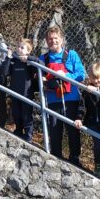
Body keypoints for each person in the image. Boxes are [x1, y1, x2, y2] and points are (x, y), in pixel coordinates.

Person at [40, 27, 85, 165]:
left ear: (61, 39)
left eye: (56, 38)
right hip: (53, 100)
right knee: (54, 130)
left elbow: (81, 74)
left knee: (73, 131)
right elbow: (38, 76)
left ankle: (75, 158)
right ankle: (56, 157)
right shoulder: (43, 58)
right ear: (46, 41)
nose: (53, 41)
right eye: (50, 39)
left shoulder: (71, 55)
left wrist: (66, 76)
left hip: (71, 99)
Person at [74, 63, 100, 180]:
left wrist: (96, 90)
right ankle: (98, 166)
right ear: (90, 78)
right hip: (93, 123)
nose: (96, 81)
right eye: (93, 78)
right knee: (97, 146)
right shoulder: (87, 90)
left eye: (98, 78)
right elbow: (82, 105)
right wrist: (79, 117)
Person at [4, 39, 37, 141]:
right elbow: (5, 72)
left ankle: (28, 135)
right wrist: (8, 58)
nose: (19, 49)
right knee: (16, 114)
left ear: (28, 51)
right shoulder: (14, 60)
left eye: (22, 48)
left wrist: (28, 59)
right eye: (18, 46)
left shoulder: (29, 62)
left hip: (26, 94)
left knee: (26, 115)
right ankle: (18, 131)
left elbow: (40, 64)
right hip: (15, 92)